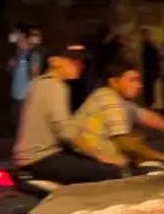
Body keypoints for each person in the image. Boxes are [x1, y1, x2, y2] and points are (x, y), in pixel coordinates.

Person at [13, 44, 125, 183]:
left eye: (80, 62)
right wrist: (101, 156)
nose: (79, 65)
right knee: (112, 172)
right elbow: (67, 132)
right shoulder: (56, 86)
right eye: (72, 61)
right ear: (54, 61)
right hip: (42, 159)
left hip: (32, 158)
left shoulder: (37, 84)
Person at [75, 60, 164, 167]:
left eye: (138, 80)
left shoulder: (114, 98)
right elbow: (125, 143)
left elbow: (145, 116)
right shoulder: (110, 100)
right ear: (114, 82)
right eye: (132, 80)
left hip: (98, 158)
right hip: (95, 161)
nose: (139, 85)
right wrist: (162, 157)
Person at [9, 28, 43, 128]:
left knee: (26, 123)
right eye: (17, 39)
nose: (18, 42)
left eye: (21, 39)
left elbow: (35, 72)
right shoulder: (18, 55)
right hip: (16, 94)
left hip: (27, 94)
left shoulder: (33, 54)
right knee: (18, 122)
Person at [140, 28, 160, 108]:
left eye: (146, 34)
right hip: (145, 71)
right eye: (144, 35)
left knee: (150, 90)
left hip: (150, 71)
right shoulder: (142, 46)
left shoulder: (151, 47)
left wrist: (156, 71)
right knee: (145, 89)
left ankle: (150, 105)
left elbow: (155, 59)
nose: (145, 36)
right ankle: (147, 105)